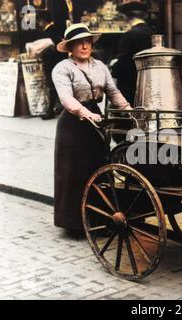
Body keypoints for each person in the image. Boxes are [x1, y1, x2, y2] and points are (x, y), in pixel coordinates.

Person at [52, 23, 131, 235]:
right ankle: (75, 224)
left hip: (96, 121)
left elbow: (113, 93)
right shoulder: (63, 68)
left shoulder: (100, 67)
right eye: (80, 42)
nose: (85, 45)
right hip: (73, 124)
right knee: (75, 172)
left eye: (88, 41)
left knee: (99, 167)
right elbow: (67, 99)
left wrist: (130, 111)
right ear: (70, 46)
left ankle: (101, 219)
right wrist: (86, 114)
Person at [111, 0, 153, 104]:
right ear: (145, 15)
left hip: (130, 85)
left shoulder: (130, 35)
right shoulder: (152, 32)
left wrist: (113, 68)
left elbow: (124, 62)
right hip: (149, 83)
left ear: (125, 16)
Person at [37, 11, 66, 119]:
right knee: (57, 86)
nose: (38, 23)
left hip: (52, 63)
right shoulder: (56, 29)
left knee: (52, 87)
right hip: (58, 61)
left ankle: (50, 111)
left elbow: (52, 49)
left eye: (39, 21)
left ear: (43, 21)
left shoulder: (49, 31)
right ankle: (58, 108)